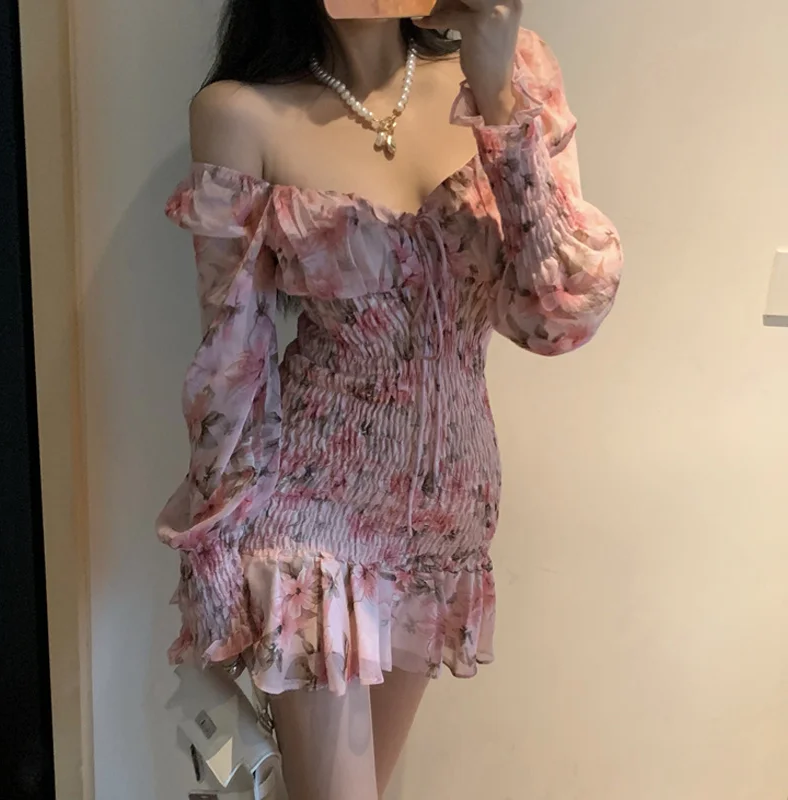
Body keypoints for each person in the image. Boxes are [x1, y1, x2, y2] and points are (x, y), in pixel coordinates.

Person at [157, 1, 623, 797]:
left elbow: (559, 311)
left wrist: (496, 93)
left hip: (449, 517)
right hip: (311, 514)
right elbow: (232, 368)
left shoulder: (515, 71)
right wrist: (212, 558)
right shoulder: (239, 115)